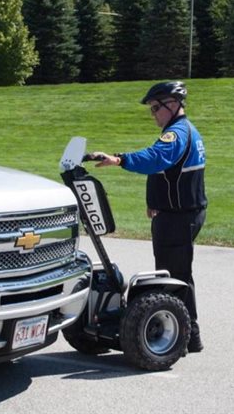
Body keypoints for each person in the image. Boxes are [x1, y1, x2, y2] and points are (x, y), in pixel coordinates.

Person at [92, 80, 207, 353]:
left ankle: (187, 336)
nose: (153, 113)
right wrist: (155, 201)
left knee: (176, 276)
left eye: (156, 107)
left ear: (173, 104)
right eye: (152, 109)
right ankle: (189, 335)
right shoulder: (186, 131)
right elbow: (168, 173)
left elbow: (155, 159)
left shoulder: (176, 134)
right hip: (180, 213)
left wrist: (119, 159)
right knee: (178, 273)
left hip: (178, 217)